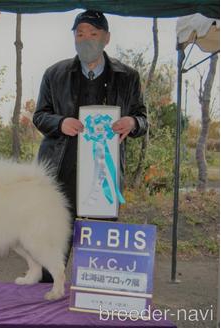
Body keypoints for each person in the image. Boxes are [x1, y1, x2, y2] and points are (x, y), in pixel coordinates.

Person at [33, 10, 147, 277]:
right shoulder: (54, 73)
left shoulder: (128, 76)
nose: (85, 40)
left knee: (98, 252)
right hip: (60, 173)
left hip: (103, 180)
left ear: (106, 38)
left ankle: (93, 301)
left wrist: (132, 123)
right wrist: (60, 123)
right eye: (80, 34)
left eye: (93, 34)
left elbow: (142, 118)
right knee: (53, 246)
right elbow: (40, 116)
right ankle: (45, 303)